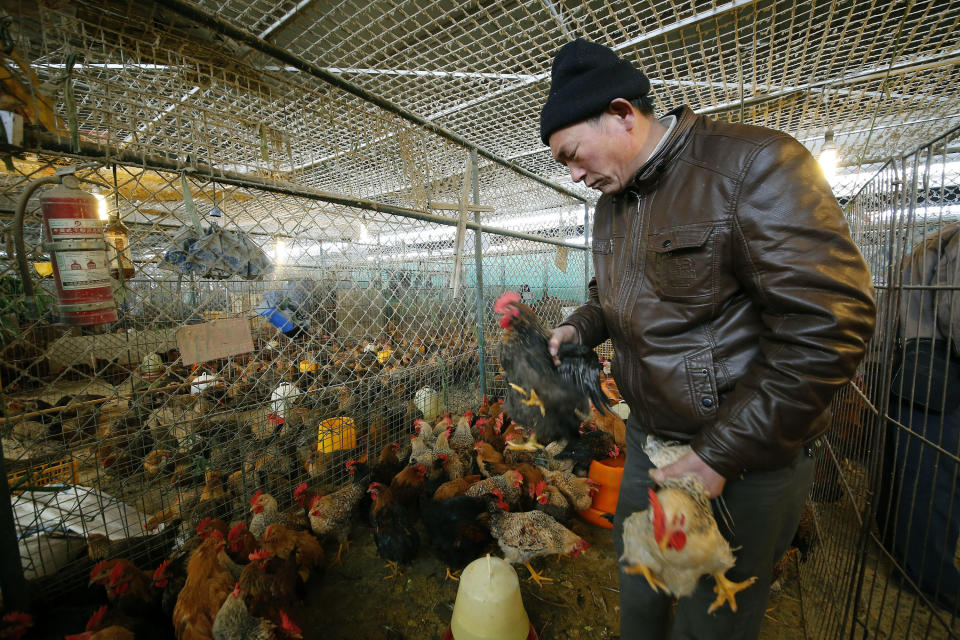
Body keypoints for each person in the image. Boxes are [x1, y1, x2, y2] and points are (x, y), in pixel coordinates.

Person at [540, 38, 876, 639]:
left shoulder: (753, 166)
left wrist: (721, 453)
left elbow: (829, 326)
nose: (572, 173)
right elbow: (612, 295)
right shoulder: (611, 204)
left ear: (621, 114)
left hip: (740, 460)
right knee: (640, 589)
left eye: (571, 153)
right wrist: (580, 323)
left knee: (710, 619)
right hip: (650, 443)